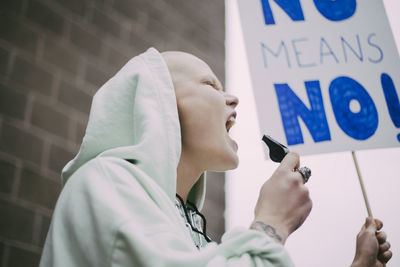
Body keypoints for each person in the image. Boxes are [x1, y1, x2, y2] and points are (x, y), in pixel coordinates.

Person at [39, 48, 392, 266]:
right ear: (158, 103)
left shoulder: (193, 231)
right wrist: (271, 224)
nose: (233, 99)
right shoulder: (104, 182)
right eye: (210, 85)